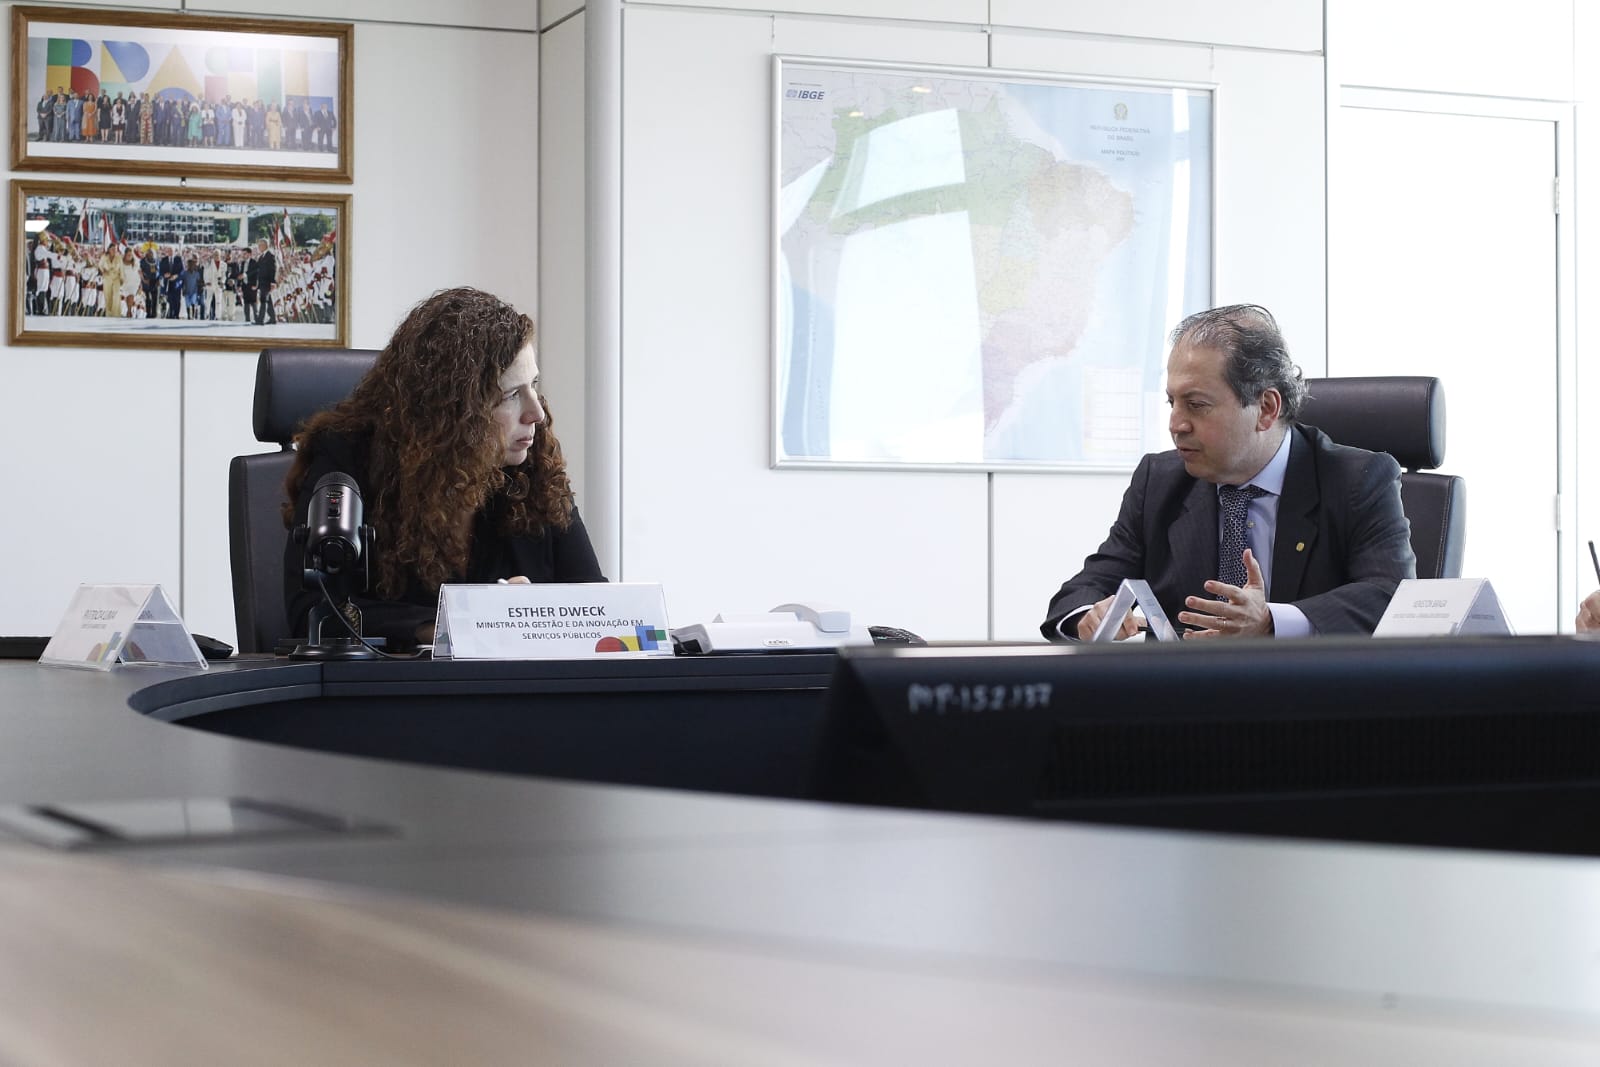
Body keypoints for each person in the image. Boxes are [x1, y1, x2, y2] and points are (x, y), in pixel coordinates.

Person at [1041, 304, 1416, 641]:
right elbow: (1086, 588)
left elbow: (1391, 596)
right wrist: (1088, 617)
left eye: (1196, 404)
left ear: (1266, 408)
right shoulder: (1160, 480)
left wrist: (1272, 621)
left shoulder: (1357, 480)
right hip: (1185, 692)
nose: (1176, 425)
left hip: (1304, 691)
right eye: (1172, 402)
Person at [281, 287, 603, 648]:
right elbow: (314, 614)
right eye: (512, 395)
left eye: (534, 385)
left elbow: (593, 600)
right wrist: (452, 623)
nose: (537, 413)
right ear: (452, 412)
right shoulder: (348, 461)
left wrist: (535, 615)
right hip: (402, 683)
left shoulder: (532, 462)